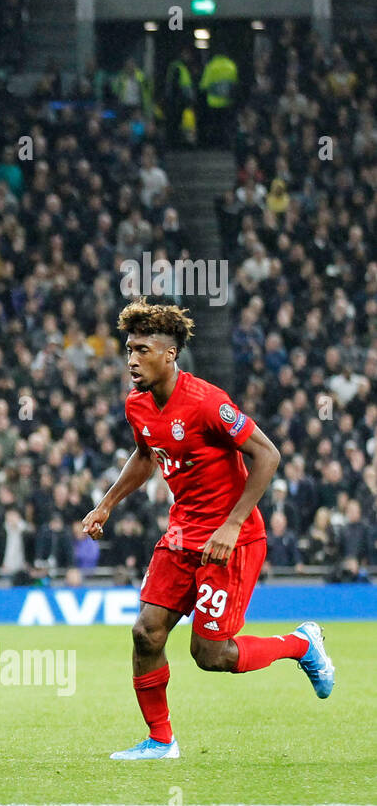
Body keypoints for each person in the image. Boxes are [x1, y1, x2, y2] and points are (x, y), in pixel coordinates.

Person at [81, 301, 334, 761]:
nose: (131, 360)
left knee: (211, 654)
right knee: (146, 633)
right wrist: (105, 505)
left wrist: (233, 524)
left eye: (142, 350)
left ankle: (301, 643)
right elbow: (145, 455)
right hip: (181, 536)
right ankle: (161, 741)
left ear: (169, 355)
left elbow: (268, 455)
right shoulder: (137, 404)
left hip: (229, 541)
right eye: (129, 349)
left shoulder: (207, 403)